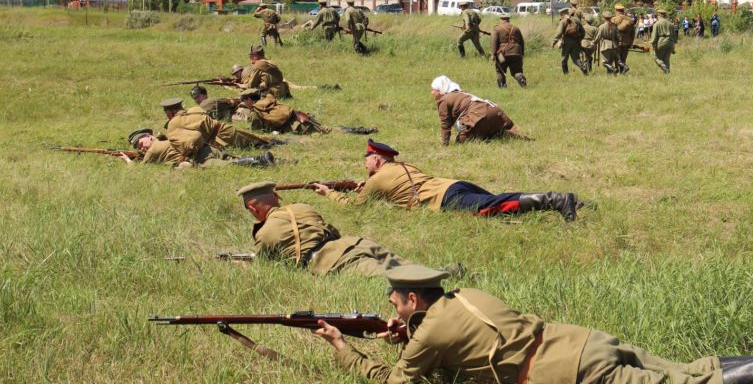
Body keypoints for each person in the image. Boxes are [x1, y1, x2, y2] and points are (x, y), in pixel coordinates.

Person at [313, 265, 753, 384]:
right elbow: (468, 337)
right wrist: (409, 333)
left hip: (566, 375)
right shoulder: (464, 296)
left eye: (395, 300)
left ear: (412, 299)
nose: (391, 306)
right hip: (580, 340)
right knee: (688, 369)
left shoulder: (429, 329)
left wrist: (342, 347)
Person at [322, 140, 581, 221]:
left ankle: (555, 200)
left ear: (377, 160)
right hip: (454, 184)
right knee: (499, 201)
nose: (365, 164)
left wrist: (327, 193)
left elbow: (355, 207)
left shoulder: (377, 179)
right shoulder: (403, 166)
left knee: (496, 207)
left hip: (445, 198)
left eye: (367, 159)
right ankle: (573, 202)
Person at [235, 181, 406, 276]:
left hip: (332, 260)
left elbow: (266, 268)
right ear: (276, 196)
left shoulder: (264, 233)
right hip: (356, 243)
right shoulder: (303, 207)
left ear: (252, 208)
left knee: (392, 279)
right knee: (408, 269)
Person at [430, 75, 530, 145]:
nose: (432, 92)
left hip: (480, 115)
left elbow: (445, 124)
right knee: (495, 134)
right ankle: (505, 135)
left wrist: (445, 144)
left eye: (434, 90)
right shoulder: (460, 93)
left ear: (440, 90)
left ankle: (492, 137)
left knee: (461, 141)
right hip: (494, 111)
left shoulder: (444, 100)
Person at [160, 97, 277, 154]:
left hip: (216, 142)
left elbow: (183, 144)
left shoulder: (173, 124)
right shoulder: (195, 109)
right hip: (225, 128)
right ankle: (277, 141)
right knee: (258, 140)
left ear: (170, 113)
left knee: (254, 146)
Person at [126, 128, 273, 168]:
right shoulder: (166, 138)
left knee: (230, 165)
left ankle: (261, 160)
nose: (141, 148)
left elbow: (139, 169)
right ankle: (275, 161)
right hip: (206, 148)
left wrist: (127, 160)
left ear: (149, 137)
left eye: (140, 144)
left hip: (200, 159)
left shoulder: (153, 149)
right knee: (233, 158)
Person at [238, 88, 330, 134]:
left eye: (244, 100)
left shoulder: (255, 111)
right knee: (325, 129)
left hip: (296, 127)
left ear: (249, 99)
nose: (244, 103)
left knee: (323, 132)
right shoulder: (269, 99)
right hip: (301, 118)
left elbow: (257, 132)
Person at [491, 13, 526, 88]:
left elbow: (494, 42)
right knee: (517, 71)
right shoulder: (516, 28)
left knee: (500, 70)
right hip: (516, 52)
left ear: (501, 19)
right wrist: (521, 53)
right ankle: (521, 79)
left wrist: (493, 54)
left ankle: (502, 86)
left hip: (502, 54)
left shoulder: (497, 28)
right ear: (508, 19)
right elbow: (522, 42)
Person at [551, 8, 587, 75]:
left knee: (564, 59)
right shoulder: (576, 20)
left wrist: (554, 41)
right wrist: (580, 39)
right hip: (576, 42)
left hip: (566, 43)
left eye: (561, 14)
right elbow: (583, 32)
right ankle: (583, 68)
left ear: (562, 14)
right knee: (576, 58)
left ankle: (566, 74)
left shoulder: (563, 21)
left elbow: (559, 33)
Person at [649, 9, 678, 74]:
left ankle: (662, 65)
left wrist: (653, 43)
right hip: (671, 42)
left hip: (661, 41)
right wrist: (673, 46)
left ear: (660, 15)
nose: (657, 16)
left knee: (656, 57)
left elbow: (654, 35)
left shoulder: (657, 23)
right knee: (666, 59)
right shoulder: (670, 24)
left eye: (657, 15)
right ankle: (667, 73)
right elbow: (674, 36)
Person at [611, 3, 635, 72]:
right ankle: (622, 71)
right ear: (623, 11)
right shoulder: (629, 20)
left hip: (617, 41)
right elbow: (633, 33)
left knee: (617, 57)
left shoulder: (614, 19)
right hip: (627, 41)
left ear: (616, 11)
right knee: (623, 57)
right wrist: (631, 42)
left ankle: (617, 70)